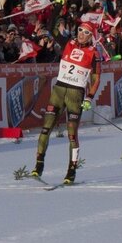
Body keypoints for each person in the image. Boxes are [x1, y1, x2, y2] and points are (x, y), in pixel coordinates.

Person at [32, 21, 101, 184]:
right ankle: (38, 165)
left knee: (71, 134)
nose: (81, 34)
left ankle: (71, 171)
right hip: (59, 90)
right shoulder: (68, 44)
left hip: (75, 94)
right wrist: (56, 4)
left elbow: (96, 78)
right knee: (45, 129)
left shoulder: (94, 54)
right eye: (80, 30)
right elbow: (53, 27)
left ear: (91, 36)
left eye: (86, 32)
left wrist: (89, 97)